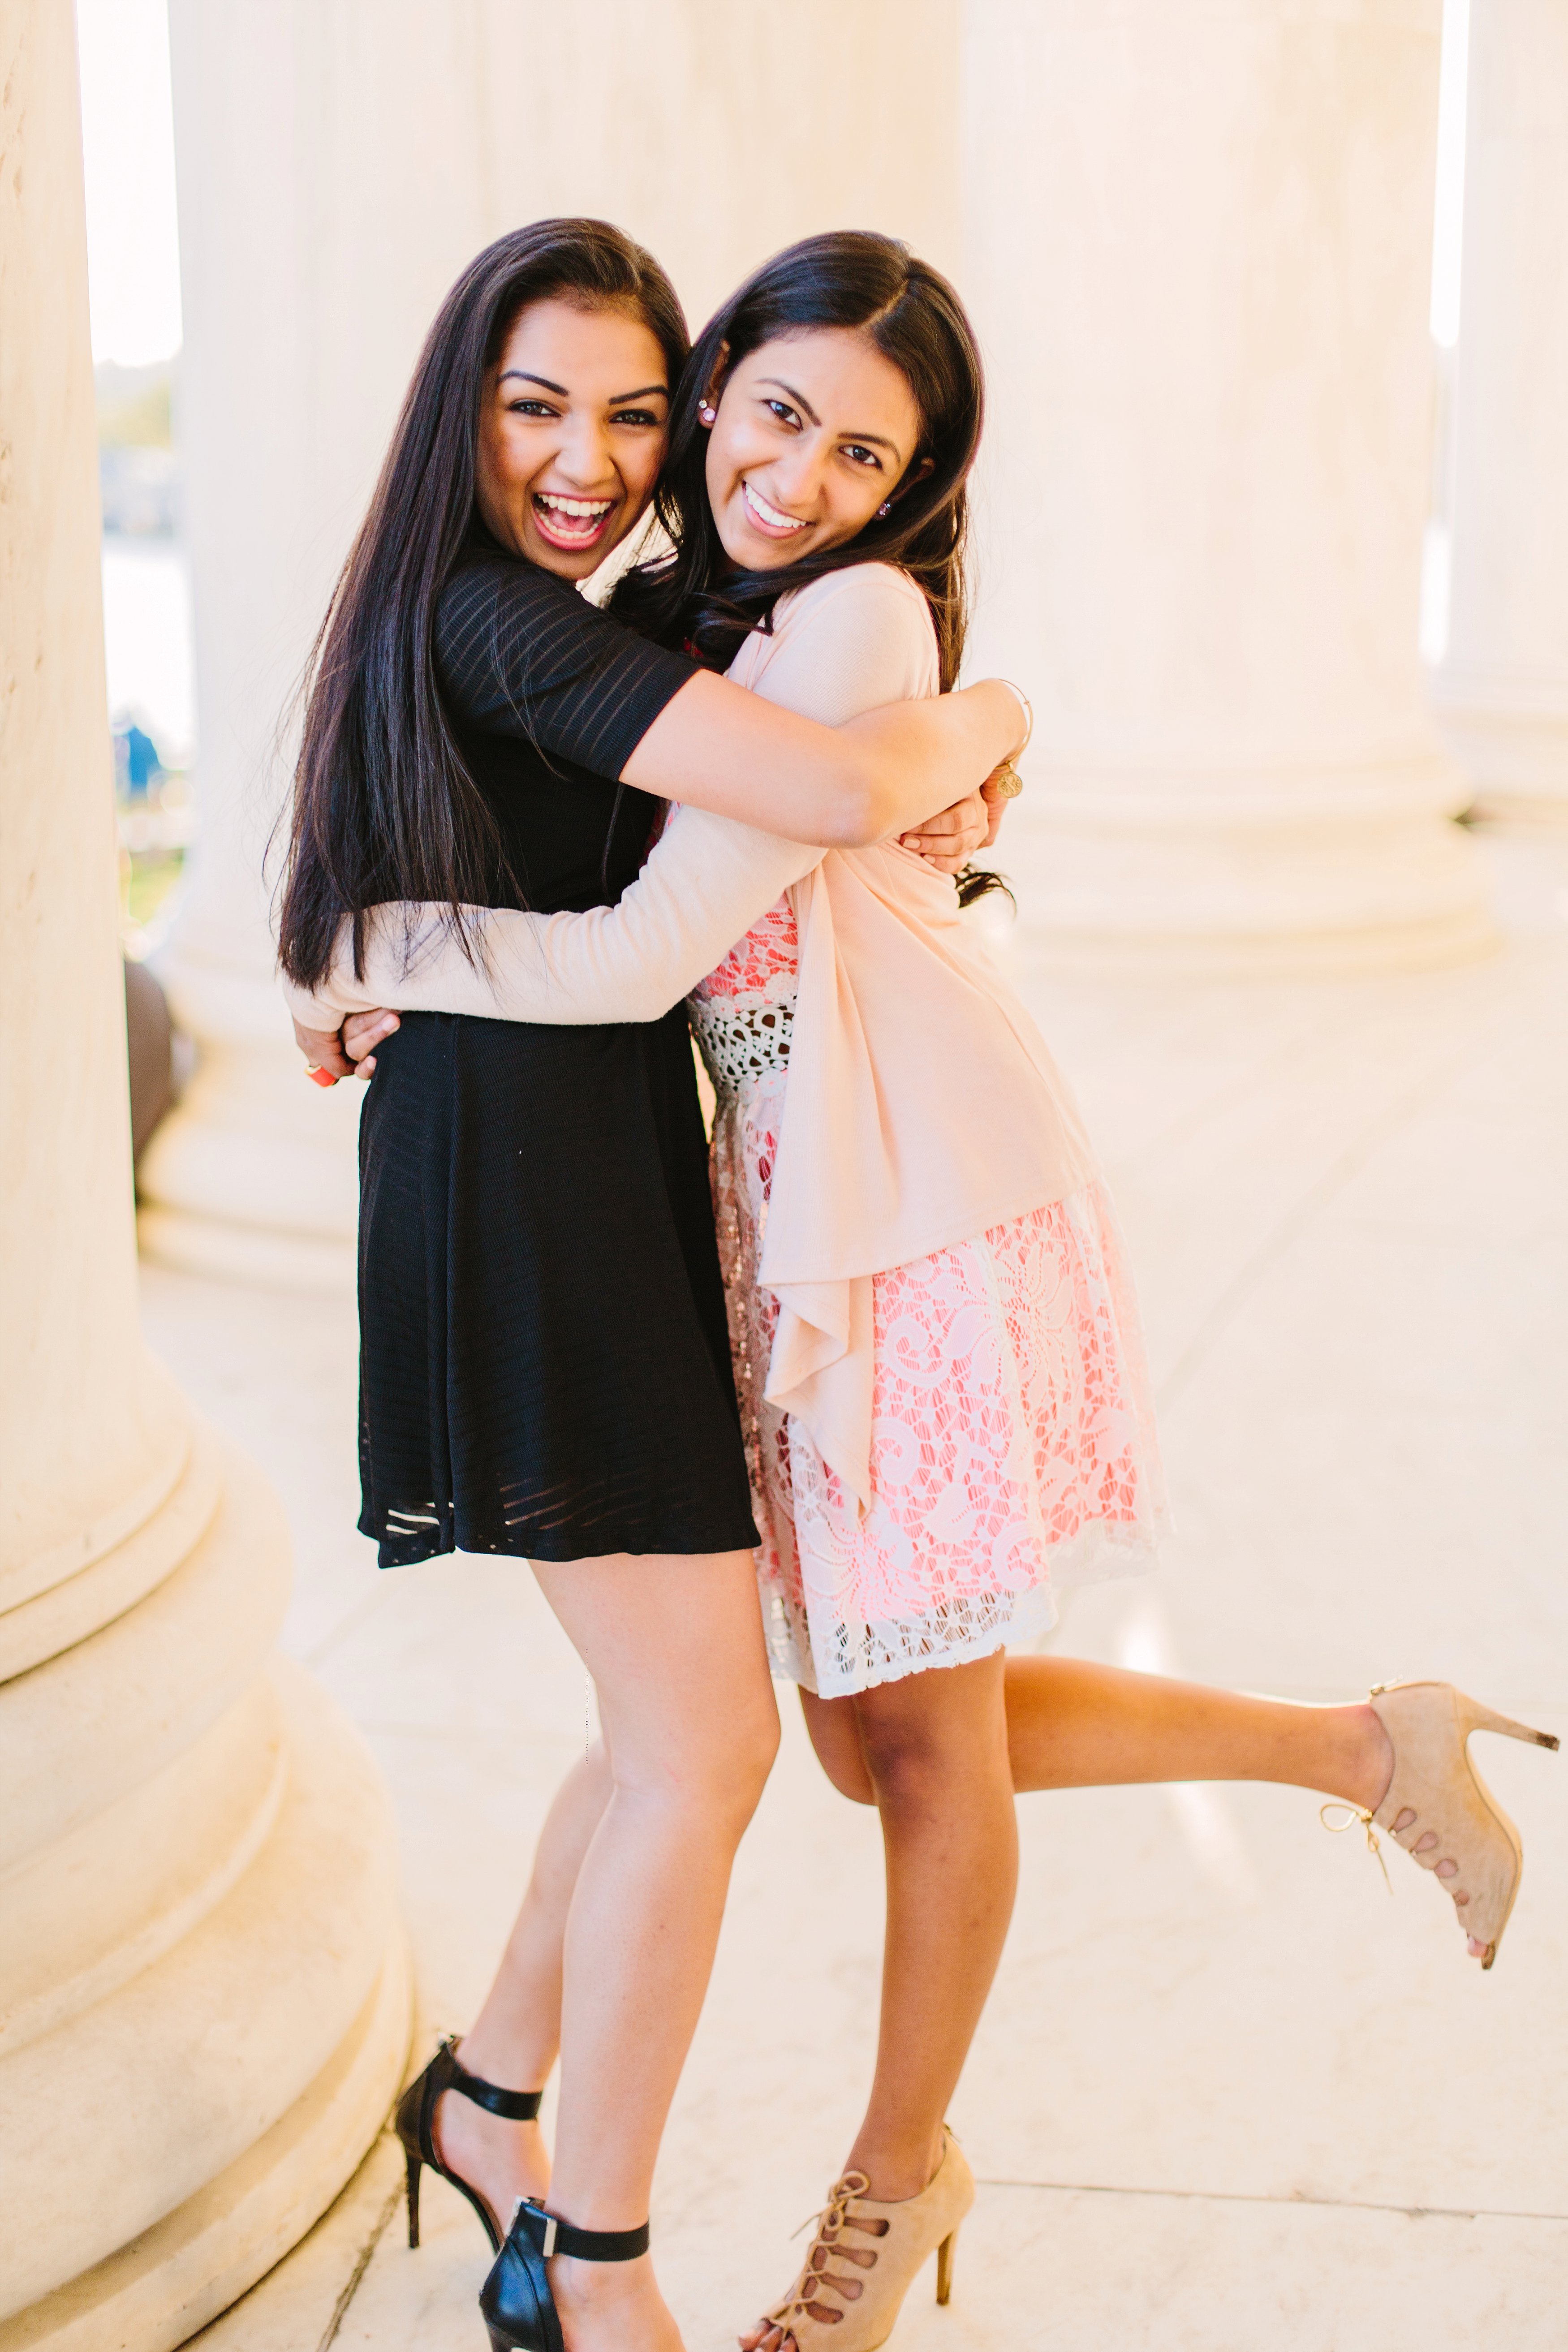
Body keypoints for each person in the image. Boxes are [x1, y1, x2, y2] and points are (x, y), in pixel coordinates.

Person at [289, 233, 1558, 2352]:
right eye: (770, 411)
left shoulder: (834, 612)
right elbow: (753, 852)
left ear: (900, 488)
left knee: (887, 1738)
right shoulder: (663, 616)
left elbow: (712, 898)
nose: (786, 470)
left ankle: (875, 2190)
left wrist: (362, 946)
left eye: (857, 448)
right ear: (725, 387)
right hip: (803, 1203)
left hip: (906, 1218)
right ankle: (1358, 1744)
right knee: (867, 1728)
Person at [277, 219, 1028, 2352]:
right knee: (699, 1751)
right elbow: (821, 783)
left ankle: (494, 2101)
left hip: (565, 1178)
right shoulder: (512, 620)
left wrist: (358, 950)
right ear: (464, 410)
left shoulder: (561, 609)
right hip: (526, 1196)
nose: (593, 455)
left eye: (622, 409)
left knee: (653, 1739)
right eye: (539, 406)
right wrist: (998, 699)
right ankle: (586, 2258)